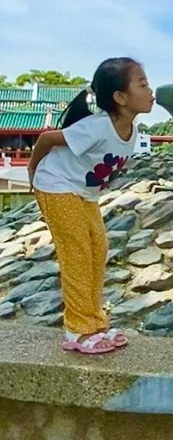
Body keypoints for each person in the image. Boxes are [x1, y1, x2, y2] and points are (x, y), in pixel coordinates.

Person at [27, 57, 153, 354]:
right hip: (56, 185)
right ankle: (77, 331)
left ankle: (96, 323)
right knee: (78, 254)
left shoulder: (132, 131)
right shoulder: (96, 127)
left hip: (84, 194)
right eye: (143, 84)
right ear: (120, 98)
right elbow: (46, 139)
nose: (151, 91)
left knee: (98, 250)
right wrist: (32, 172)